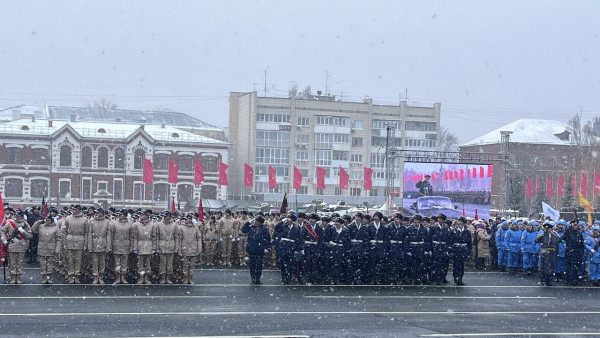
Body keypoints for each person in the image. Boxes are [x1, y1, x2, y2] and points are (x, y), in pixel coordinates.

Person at [1, 209, 33, 284]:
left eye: (18, 215)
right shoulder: (10, 223)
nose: (16, 217)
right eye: (15, 215)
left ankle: (18, 278)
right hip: (12, 245)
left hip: (21, 246)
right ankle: (12, 278)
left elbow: (30, 236)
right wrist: (4, 239)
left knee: (19, 263)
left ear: (21, 216)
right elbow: (2, 231)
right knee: (12, 263)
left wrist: (23, 231)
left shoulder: (25, 224)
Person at [62, 204, 89, 284]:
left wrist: (85, 244)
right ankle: (71, 275)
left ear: (79, 210)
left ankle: (76, 276)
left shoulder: (85, 219)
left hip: (80, 239)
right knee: (70, 260)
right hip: (70, 239)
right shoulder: (68, 218)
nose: (73, 210)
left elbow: (86, 232)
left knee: (78, 260)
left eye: (75, 209)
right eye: (72, 209)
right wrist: (64, 242)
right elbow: (64, 231)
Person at [241, 215, 271, 285]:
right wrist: (248, 222)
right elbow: (243, 229)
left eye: (257, 221)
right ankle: (253, 278)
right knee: (252, 265)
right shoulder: (251, 228)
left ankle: (258, 278)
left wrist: (267, 248)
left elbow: (268, 239)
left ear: (260, 223)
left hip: (260, 249)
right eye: (255, 221)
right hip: (252, 249)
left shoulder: (264, 229)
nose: (255, 222)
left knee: (259, 264)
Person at [31, 216, 61, 284]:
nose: (47, 221)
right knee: (42, 264)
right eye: (46, 220)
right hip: (42, 247)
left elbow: (59, 239)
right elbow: (32, 229)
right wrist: (38, 222)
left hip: (51, 247)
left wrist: (57, 249)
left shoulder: (55, 228)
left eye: (49, 220)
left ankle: (49, 277)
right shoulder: (41, 226)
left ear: (52, 221)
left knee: (49, 264)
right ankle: (44, 277)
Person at [109, 210, 133, 284]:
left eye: (121, 214)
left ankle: (123, 277)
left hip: (126, 245)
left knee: (124, 263)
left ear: (125, 215)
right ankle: (118, 277)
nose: (119, 216)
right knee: (117, 263)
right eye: (118, 214)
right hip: (116, 245)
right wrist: (110, 246)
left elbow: (131, 237)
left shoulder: (130, 224)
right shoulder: (114, 224)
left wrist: (131, 246)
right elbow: (111, 236)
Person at [132, 209, 155, 284]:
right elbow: (135, 238)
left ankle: (146, 278)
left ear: (147, 216)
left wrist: (154, 247)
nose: (140, 216)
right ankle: (141, 278)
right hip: (140, 245)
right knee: (140, 264)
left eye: (142, 215)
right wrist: (135, 248)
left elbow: (154, 237)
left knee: (148, 263)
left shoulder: (152, 225)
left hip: (149, 245)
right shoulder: (136, 225)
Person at [178, 214, 202, 284]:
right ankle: (185, 278)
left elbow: (199, 238)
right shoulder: (182, 228)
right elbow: (180, 239)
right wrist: (179, 249)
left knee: (192, 265)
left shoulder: (195, 228)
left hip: (193, 248)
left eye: (189, 219)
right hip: (184, 248)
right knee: (185, 265)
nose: (188, 220)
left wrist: (199, 248)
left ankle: (190, 278)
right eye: (187, 219)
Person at [154, 211, 178, 284]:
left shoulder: (175, 225)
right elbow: (156, 237)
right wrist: (156, 247)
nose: (164, 217)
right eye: (164, 216)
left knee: (169, 264)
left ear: (169, 216)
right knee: (162, 263)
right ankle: (162, 278)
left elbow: (176, 237)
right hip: (162, 245)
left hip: (171, 245)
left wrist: (176, 247)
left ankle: (168, 278)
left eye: (166, 216)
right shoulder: (158, 225)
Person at [535, 221, 560, 286]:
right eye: (546, 229)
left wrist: (557, 253)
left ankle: (549, 280)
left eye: (549, 229)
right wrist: (540, 236)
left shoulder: (554, 236)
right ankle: (543, 279)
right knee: (544, 267)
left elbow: (557, 245)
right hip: (544, 252)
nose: (548, 230)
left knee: (551, 267)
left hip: (552, 253)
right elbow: (536, 240)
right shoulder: (542, 235)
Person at [451, 216, 472, 286]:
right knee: (455, 264)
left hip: (463, 249)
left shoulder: (467, 231)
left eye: (460, 221)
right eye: (458, 220)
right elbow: (451, 241)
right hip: (456, 249)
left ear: (463, 222)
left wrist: (469, 252)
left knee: (461, 265)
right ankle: (455, 278)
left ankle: (460, 278)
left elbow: (469, 243)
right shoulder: (454, 230)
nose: (458, 222)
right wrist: (451, 250)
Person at [563, 220, 585, 286]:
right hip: (570, 252)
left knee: (575, 267)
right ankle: (569, 280)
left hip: (577, 252)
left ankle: (574, 279)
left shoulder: (579, 233)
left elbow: (581, 243)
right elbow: (563, 239)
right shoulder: (567, 232)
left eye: (576, 225)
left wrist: (581, 251)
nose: (576, 226)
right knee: (569, 267)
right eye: (574, 225)